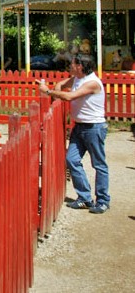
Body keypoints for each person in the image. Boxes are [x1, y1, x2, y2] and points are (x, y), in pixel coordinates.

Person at [38, 54, 109, 214]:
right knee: (71, 160)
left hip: (94, 127)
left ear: (81, 66)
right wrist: (55, 91)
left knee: (99, 164)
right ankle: (85, 198)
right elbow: (61, 85)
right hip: (80, 127)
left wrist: (48, 91)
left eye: (73, 64)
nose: (70, 66)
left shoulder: (92, 83)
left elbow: (69, 96)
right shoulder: (77, 78)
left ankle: (103, 200)